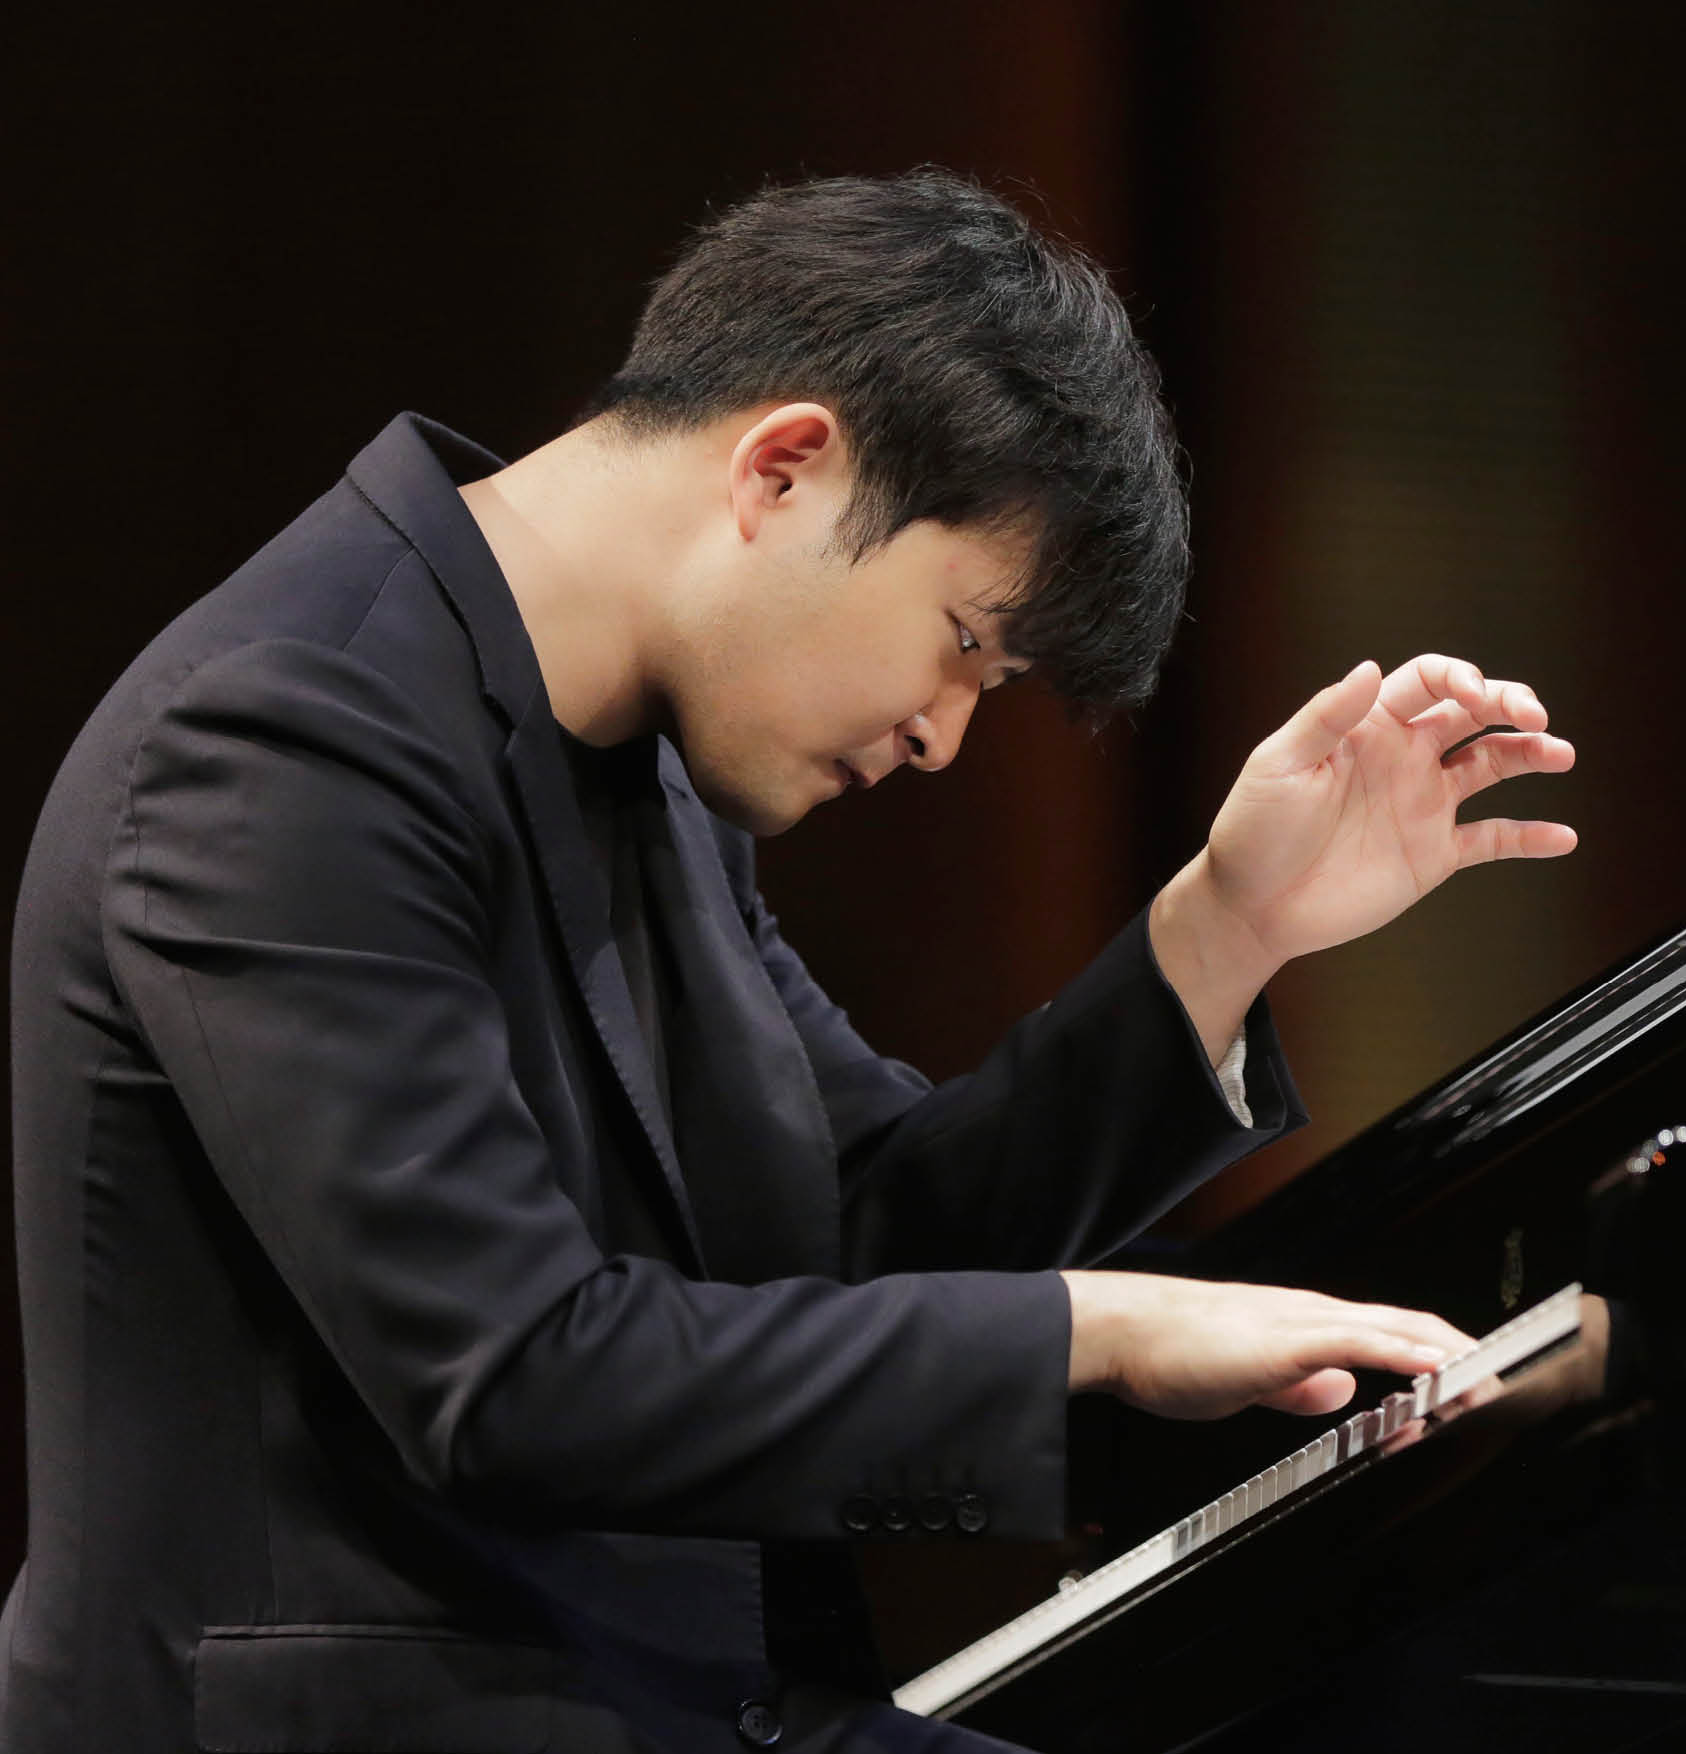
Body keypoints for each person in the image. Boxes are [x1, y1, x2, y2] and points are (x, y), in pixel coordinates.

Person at [2, 172, 1575, 1753]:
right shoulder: (289, 734)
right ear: (785, 467)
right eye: (967, 642)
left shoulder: (644, 769)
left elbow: (858, 1235)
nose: (943, 737)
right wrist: (1098, 1328)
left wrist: (1229, 924)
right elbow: (515, 1375)